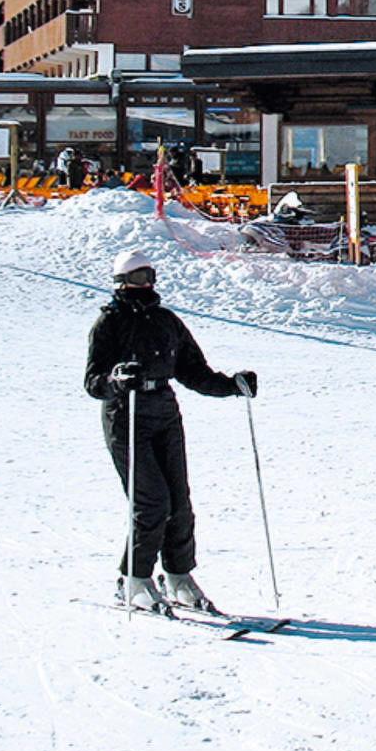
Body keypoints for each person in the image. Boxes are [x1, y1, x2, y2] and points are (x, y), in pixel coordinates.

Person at [84, 250, 257, 612]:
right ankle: (134, 579)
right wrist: (117, 379)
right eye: (136, 278)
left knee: (179, 501)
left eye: (149, 276)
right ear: (121, 283)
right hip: (126, 413)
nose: (144, 285)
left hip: (164, 409)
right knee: (151, 501)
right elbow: (93, 381)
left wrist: (231, 385)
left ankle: (178, 575)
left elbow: (193, 370)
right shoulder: (109, 323)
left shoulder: (166, 320)